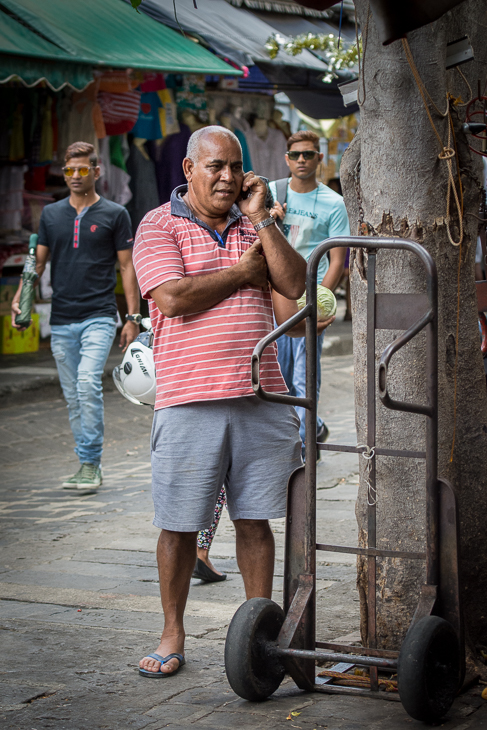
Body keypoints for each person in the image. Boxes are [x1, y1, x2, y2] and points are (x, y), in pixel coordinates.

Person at [133, 126, 309, 678]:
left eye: (236, 166)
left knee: (255, 521)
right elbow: (173, 297)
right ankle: (172, 632)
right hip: (189, 400)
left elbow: (294, 286)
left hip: (262, 395)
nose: (228, 177)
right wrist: (241, 273)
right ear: (188, 170)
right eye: (216, 166)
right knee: (179, 523)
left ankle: (257, 633)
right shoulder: (158, 224)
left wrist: (262, 220)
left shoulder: (256, 225)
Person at [11, 141, 140, 491]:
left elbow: (127, 267)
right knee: (72, 395)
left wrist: (132, 317)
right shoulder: (51, 215)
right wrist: (20, 297)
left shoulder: (116, 214)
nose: (75, 176)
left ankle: (91, 462)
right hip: (62, 318)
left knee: (86, 383)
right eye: (69, 170)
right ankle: (85, 463)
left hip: (99, 315)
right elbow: (36, 263)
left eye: (83, 170)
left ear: (97, 172)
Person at [269, 130, 350, 453]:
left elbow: (337, 261)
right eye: (296, 155)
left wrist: (316, 301)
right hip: (273, 299)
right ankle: (311, 427)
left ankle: (303, 448)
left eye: (309, 154)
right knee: (279, 377)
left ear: (319, 158)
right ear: (287, 159)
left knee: (305, 378)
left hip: (307, 300)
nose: (302, 160)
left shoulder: (334, 203)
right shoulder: (272, 194)